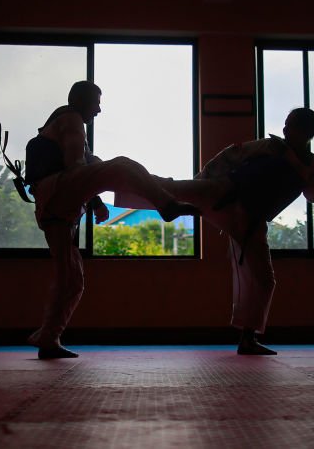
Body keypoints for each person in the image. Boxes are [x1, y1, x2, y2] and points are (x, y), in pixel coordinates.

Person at [26, 80, 199, 360]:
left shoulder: (65, 126)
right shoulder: (71, 118)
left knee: (72, 278)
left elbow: (87, 164)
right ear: (81, 101)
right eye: (96, 102)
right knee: (121, 166)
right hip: (57, 192)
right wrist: (94, 199)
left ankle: (48, 336)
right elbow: (76, 167)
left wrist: (94, 198)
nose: (99, 110)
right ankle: (166, 204)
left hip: (53, 210)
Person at [156, 107, 314, 355]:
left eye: (289, 126)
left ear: (306, 132)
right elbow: (230, 156)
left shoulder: (313, 168)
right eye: (284, 125)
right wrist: (201, 180)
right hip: (223, 192)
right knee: (173, 188)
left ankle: (248, 337)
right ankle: (131, 183)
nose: (283, 130)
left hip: (251, 221)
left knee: (264, 279)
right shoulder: (271, 147)